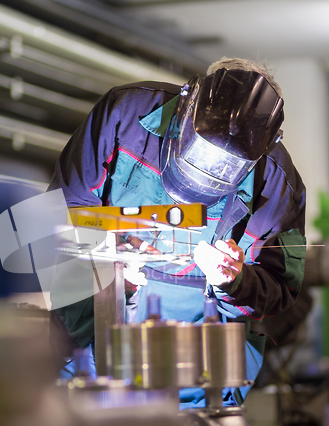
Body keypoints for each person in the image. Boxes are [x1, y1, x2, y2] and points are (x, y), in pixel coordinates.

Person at [48, 57, 306, 407]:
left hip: (198, 375)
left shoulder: (278, 185)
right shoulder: (125, 115)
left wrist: (234, 280)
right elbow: (61, 215)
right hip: (89, 346)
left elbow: (280, 289)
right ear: (191, 104)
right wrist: (111, 255)